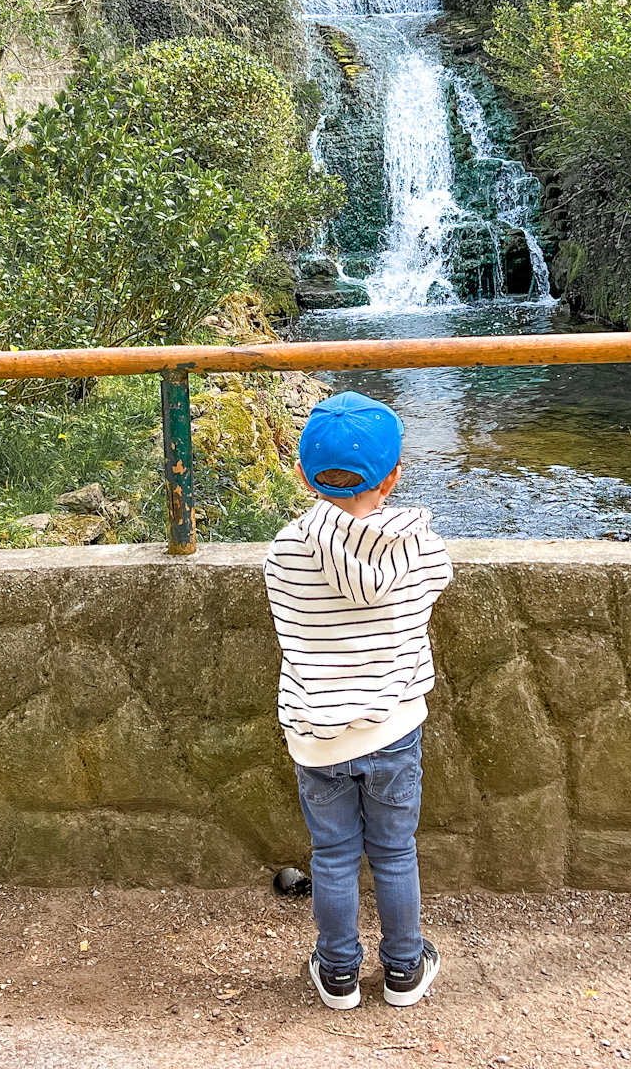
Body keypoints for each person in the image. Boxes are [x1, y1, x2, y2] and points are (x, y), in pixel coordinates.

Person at [264, 390, 455, 1011]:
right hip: (394, 727)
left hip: (316, 732)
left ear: (303, 473)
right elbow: (431, 591)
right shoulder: (421, 547)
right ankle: (404, 969)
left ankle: (339, 973)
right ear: (394, 476)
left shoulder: (284, 550)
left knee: (334, 854)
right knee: (395, 851)